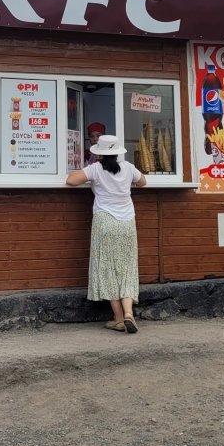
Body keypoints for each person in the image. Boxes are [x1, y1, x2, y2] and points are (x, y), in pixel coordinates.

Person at [66, 133, 147, 333]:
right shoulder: (128, 168)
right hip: (127, 223)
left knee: (108, 269)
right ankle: (129, 313)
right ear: (118, 152)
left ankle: (118, 319)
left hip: (105, 223)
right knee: (127, 268)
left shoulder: (96, 169)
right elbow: (143, 182)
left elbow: (71, 180)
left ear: (99, 154)